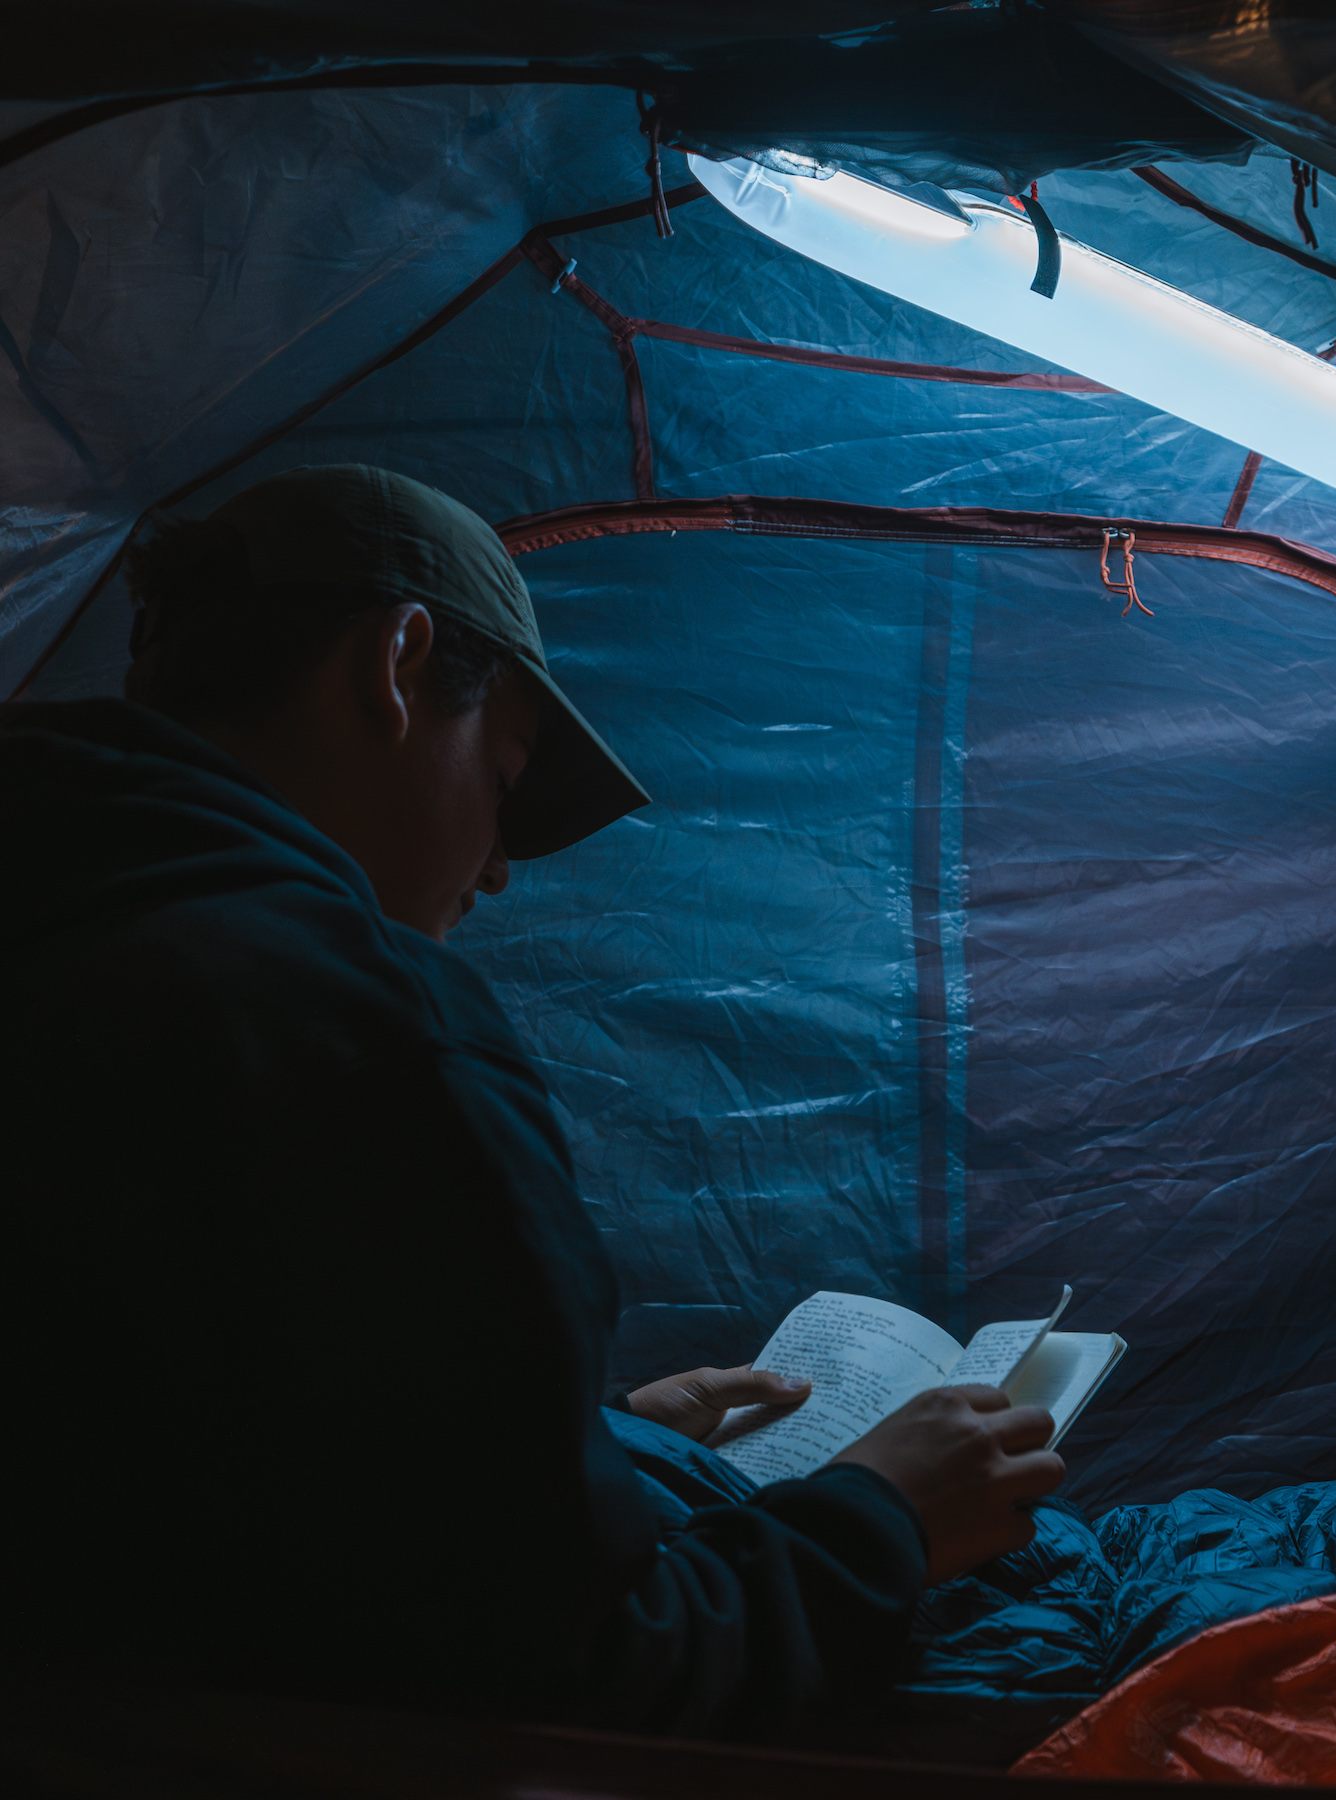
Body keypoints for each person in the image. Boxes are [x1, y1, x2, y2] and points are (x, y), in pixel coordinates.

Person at [0, 464, 1064, 1737]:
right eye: (505, 783)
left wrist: (596, 1443)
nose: (498, 873)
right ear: (394, 665)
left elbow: (200, 1479)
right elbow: (578, 1677)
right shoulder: (358, 1027)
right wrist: (884, 1514)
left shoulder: (65, 934)